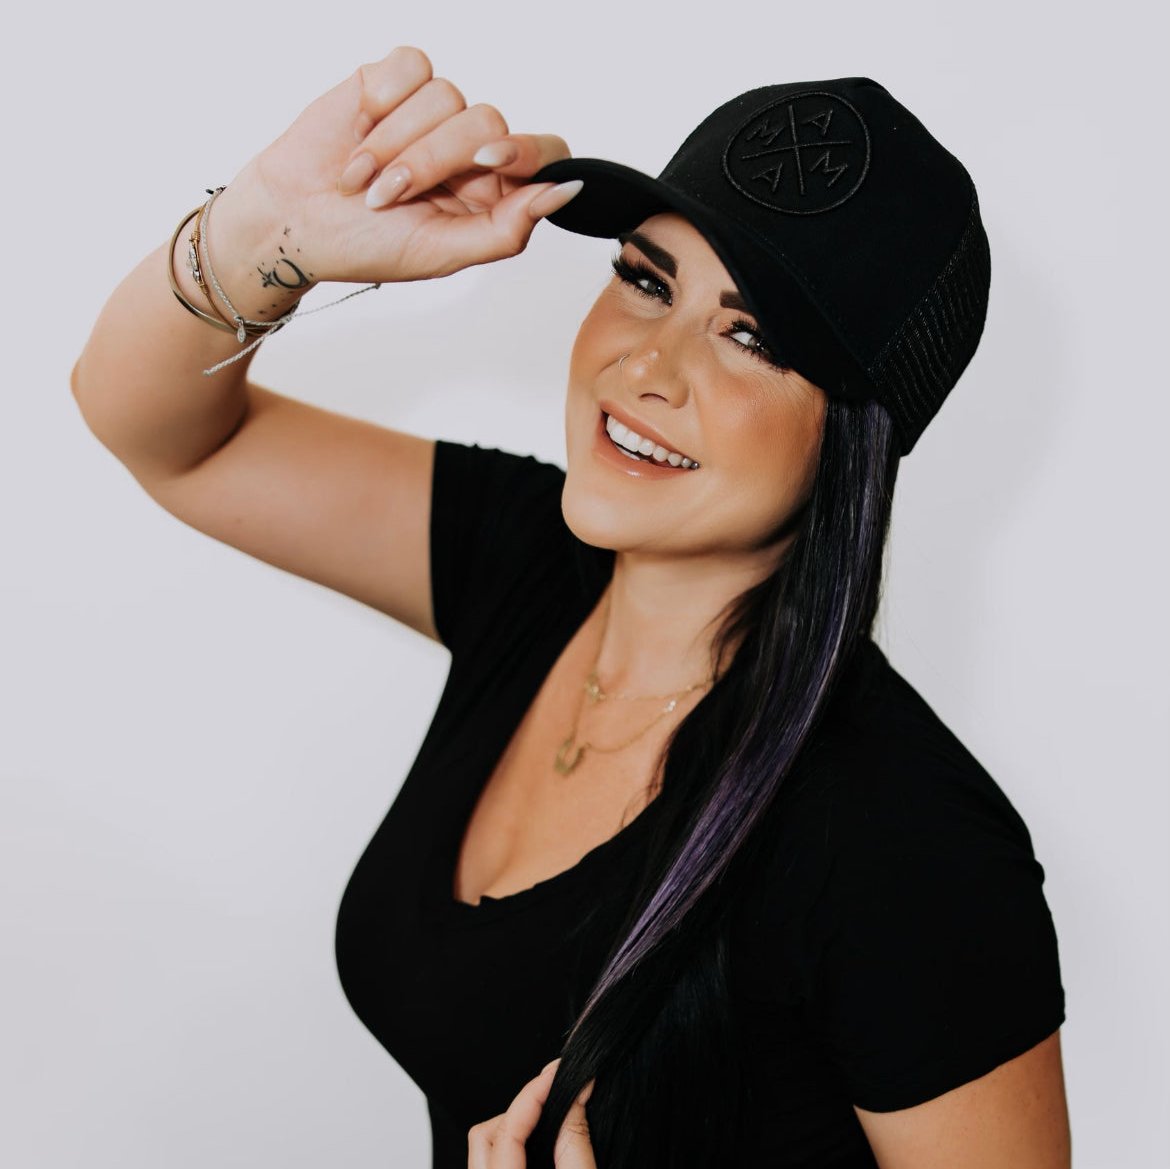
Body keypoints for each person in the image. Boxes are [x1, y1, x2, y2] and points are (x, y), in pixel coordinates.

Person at [70, 46, 1070, 1169]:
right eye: (647, 278)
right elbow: (166, 436)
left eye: (750, 337)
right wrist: (269, 235)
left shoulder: (907, 842)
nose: (648, 362)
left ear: (855, 438)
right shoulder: (530, 559)